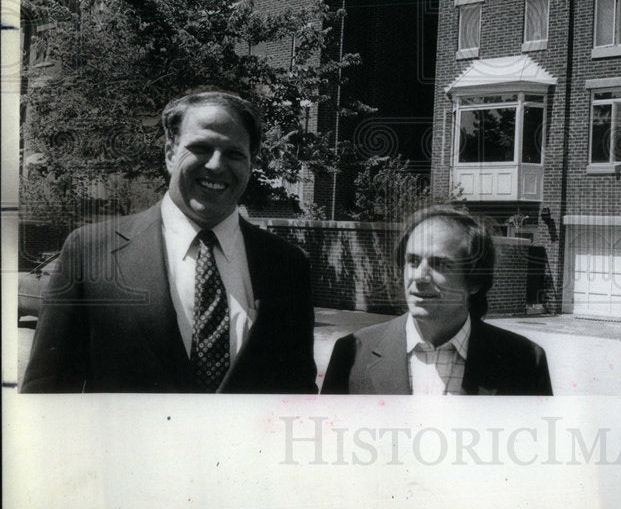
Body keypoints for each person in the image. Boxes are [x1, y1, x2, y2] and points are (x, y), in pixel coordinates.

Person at [21, 89, 317, 393]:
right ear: (170, 154)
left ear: (251, 164)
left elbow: (297, 394)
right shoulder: (91, 251)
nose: (216, 165)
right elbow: (47, 391)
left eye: (234, 153)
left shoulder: (287, 266)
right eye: (201, 148)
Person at [322, 206, 552, 395]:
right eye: (412, 261)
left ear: (474, 282)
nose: (419, 277)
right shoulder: (353, 353)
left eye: (440, 264)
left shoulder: (524, 361)